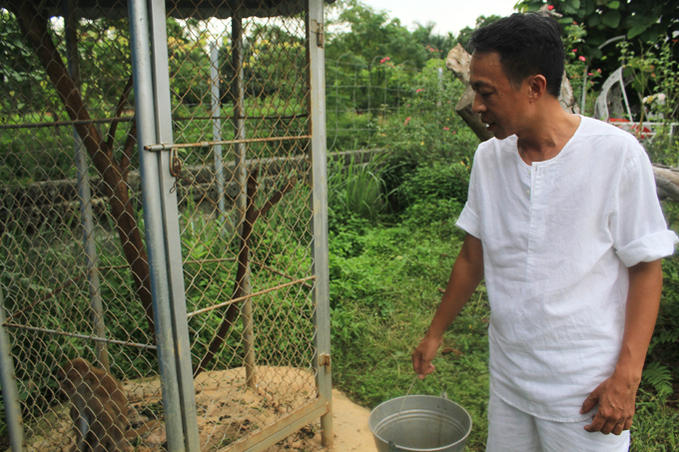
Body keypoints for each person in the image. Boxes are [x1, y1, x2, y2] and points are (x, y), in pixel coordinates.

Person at [411, 13, 678, 452]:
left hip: (585, 390)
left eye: (486, 92)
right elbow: (473, 256)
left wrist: (627, 378)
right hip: (510, 379)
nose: (475, 106)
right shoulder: (489, 159)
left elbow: (646, 268)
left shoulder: (615, 155)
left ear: (535, 87)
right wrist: (435, 332)